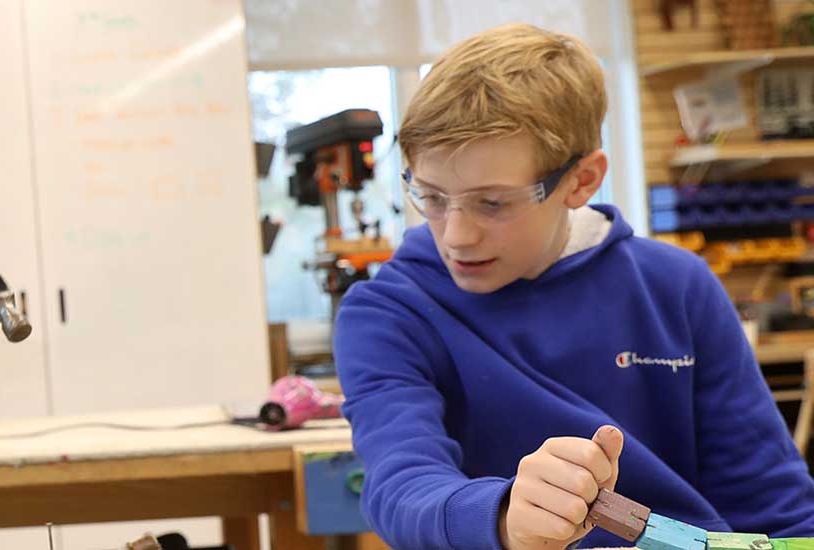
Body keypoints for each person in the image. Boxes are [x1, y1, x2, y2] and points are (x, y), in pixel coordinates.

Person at [336, 23, 814, 550]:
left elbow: (774, 508)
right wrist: (501, 518)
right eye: (431, 196)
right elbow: (400, 486)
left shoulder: (677, 287)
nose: (456, 235)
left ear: (581, 180)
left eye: (492, 203)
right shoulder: (387, 313)